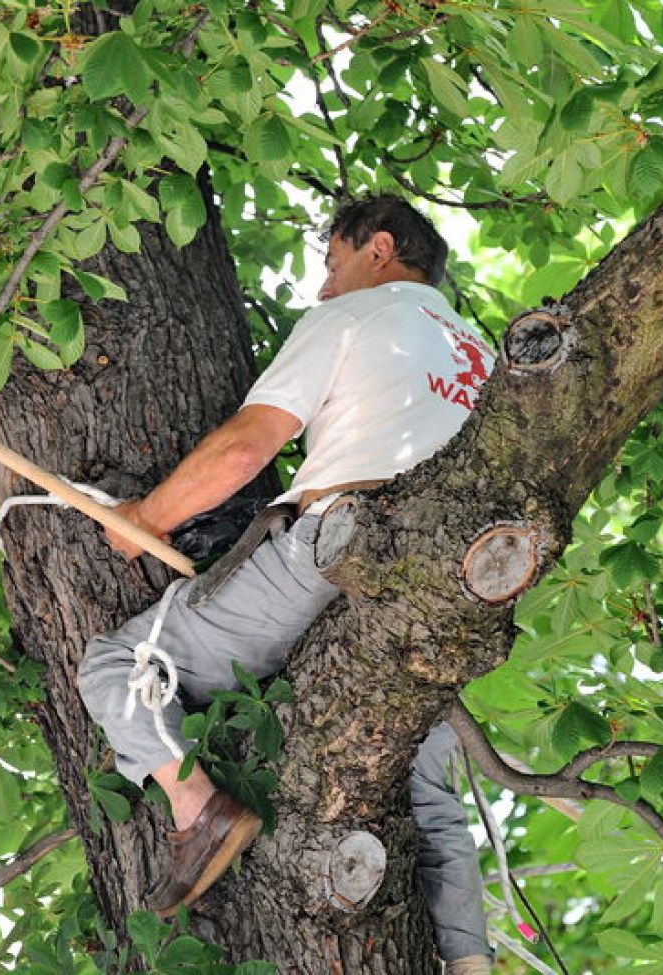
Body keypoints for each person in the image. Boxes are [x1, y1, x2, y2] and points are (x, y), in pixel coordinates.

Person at [78, 194, 495, 973]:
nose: (322, 288)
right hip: (446, 598)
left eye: (332, 264)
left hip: (341, 550)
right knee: (431, 797)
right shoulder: (488, 359)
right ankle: (472, 963)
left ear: (378, 248)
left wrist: (147, 515)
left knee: (116, 663)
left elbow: (245, 450)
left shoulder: (356, 317)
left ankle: (198, 808)